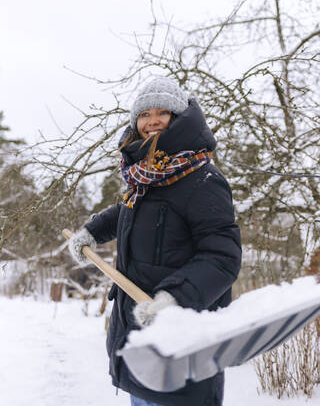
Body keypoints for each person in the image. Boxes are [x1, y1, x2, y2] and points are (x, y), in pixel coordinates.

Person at [68, 77, 242, 406]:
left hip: (182, 348)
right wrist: (92, 231)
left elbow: (222, 257)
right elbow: (129, 211)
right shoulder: (148, 176)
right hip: (139, 345)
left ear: (178, 119)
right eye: (145, 114)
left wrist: (174, 299)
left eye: (163, 112)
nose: (152, 121)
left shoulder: (202, 178)